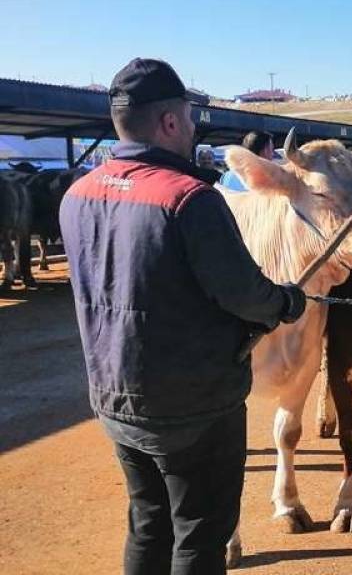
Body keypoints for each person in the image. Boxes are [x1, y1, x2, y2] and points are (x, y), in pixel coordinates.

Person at [59, 58, 306, 575]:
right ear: (169, 123)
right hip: (194, 406)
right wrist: (287, 301)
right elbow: (244, 293)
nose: (195, 128)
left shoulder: (77, 194)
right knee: (199, 534)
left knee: (148, 524)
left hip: (112, 397)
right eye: (190, 117)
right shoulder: (190, 199)